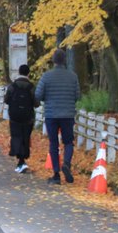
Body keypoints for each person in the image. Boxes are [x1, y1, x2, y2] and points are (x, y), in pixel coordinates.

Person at [35, 50, 80, 183]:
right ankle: (66, 163)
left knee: (53, 143)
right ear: (64, 60)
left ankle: (56, 174)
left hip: (51, 114)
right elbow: (77, 95)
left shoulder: (46, 76)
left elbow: (38, 95)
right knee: (68, 142)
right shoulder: (73, 76)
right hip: (68, 114)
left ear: (53, 61)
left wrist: (47, 98)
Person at [4, 64, 38, 172]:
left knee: (16, 136)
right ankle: (22, 160)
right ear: (28, 73)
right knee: (25, 137)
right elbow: (36, 103)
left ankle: (20, 161)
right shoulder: (31, 87)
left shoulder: (12, 86)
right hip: (28, 117)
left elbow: (6, 100)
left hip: (14, 116)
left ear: (19, 72)